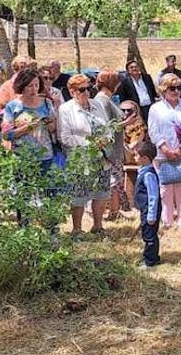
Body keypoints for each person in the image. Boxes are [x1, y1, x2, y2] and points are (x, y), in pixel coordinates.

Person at [58, 73, 112, 236]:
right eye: (82, 90)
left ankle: (97, 225)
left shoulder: (97, 105)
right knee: (79, 193)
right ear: (72, 91)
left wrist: (107, 138)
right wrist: (89, 144)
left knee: (101, 191)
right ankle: (77, 229)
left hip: (102, 157)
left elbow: (108, 127)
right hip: (80, 158)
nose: (86, 92)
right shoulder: (66, 109)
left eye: (89, 88)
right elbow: (64, 137)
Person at [150, 73, 181, 231]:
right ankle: (167, 222)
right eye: (172, 88)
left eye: (179, 88)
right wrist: (166, 149)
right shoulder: (155, 109)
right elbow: (153, 131)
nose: (176, 91)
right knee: (166, 189)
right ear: (163, 89)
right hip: (163, 154)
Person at [92, 70, 129, 220]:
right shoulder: (103, 100)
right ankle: (113, 212)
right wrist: (127, 122)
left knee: (115, 179)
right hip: (110, 149)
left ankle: (115, 210)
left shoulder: (107, 99)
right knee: (113, 180)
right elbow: (106, 126)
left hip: (114, 147)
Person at [132, 140, 163, 267]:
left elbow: (153, 196)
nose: (134, 157)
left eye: (136, 155)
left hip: (150, 210)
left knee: (150, 236)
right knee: (146, 233)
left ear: (144, 158)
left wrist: (151, 215)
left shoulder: (148, 174)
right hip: (145, 209)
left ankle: (151, 261)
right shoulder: (143, 171)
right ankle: (148, 256)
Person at [118, 58, 158, 125]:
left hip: (150, 107)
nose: (134, 68)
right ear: (128, 71)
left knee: (153, 125)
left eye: (136, 66)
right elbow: (123, 99)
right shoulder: (125, 82)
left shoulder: (147, 77)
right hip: (137, 110)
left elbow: (153, 92)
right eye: (131, 67)